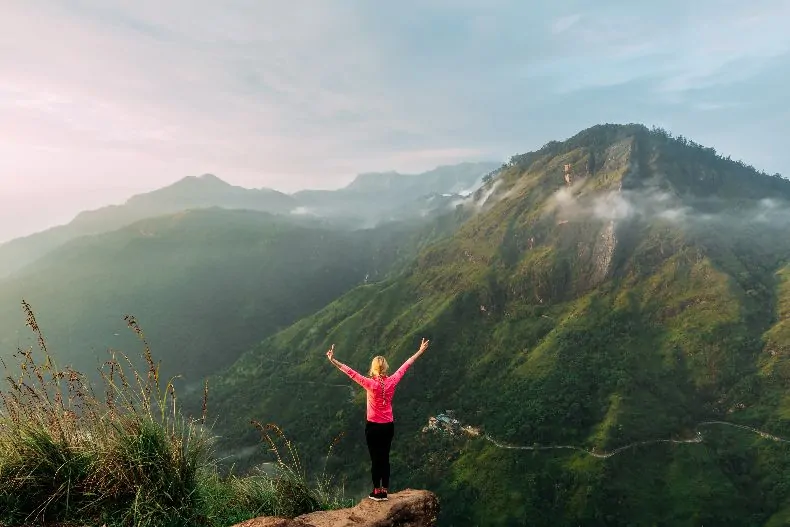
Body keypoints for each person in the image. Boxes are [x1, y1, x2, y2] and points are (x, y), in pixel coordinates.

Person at [326, 338, 430, 502]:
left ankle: (377, 491)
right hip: (388, 426)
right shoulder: (393, 381)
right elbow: (406, 365)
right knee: (385, 458)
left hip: (373, 427)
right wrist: (420, 351)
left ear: (373, 369)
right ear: (386, 367)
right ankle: (385, 490)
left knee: (376, 459)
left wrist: (333, 360)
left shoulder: (369, 383)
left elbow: (350, 372)